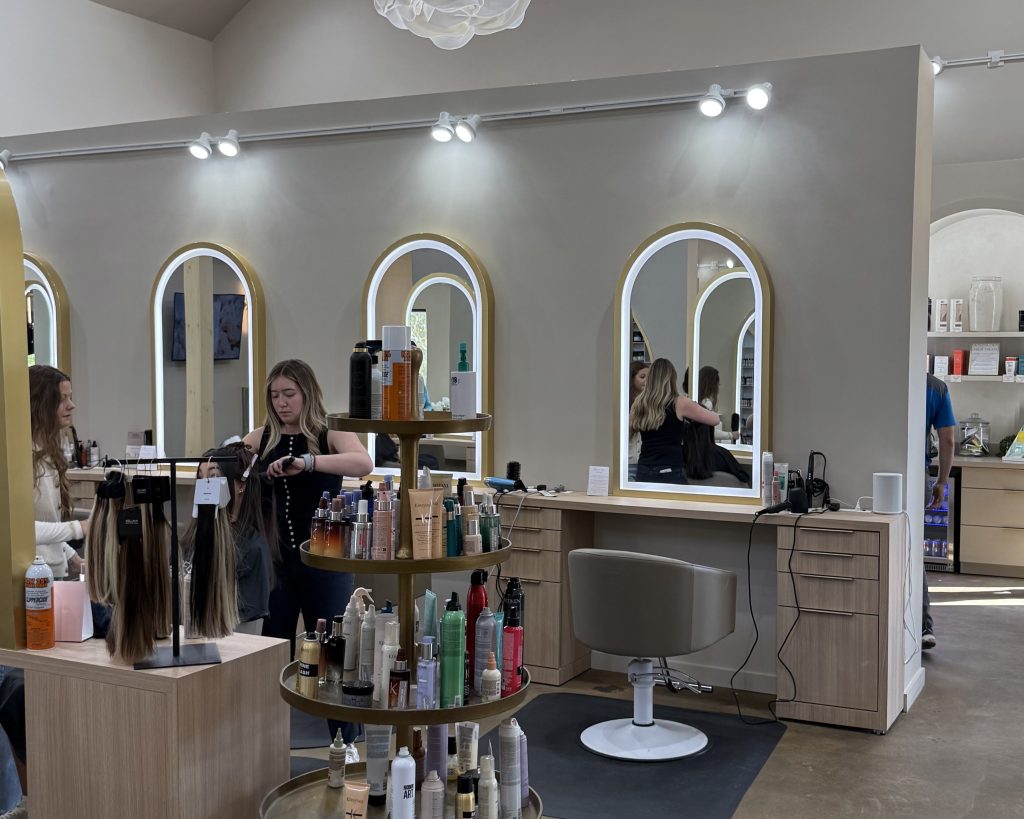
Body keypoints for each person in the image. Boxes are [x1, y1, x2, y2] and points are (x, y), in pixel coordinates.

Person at [243, 359, 373, 654]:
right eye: (274, 396)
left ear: (307, 392)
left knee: (330, 647)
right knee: (272, 648)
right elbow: (226, 463)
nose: (281, 403)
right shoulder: (261, 436)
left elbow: (363, 463)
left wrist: (308, 462)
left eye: (289, 394)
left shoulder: (330, 431)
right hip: (276, 562)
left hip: (326, 558)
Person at [187, 443, 274, 634]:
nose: (205, 485)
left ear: (241, 485)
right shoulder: (191, 539)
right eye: (201, 478)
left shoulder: (252, 548)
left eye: (213, 477)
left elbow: (249, 630)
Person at [29, 365, 88, 579]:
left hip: (54, 573)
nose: (71, 405)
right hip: (34, 580)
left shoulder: (48, 453)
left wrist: (73, 559)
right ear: (40, 404)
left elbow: (49, 524)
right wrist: (78, 528)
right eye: (62, 399)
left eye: (70, 397)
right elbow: (24, 529)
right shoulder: (22, 458)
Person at [629, 358, 720, 484]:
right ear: (672, 378)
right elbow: (715, 420)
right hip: (669, 470)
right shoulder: (679, 403)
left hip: (644, 469)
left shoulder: (638, 403)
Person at [924, 374, 956, 651]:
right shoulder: (936, 387)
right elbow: (947, 440)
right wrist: (941, 481)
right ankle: (923, 626)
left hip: (869, 469)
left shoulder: (878, 371)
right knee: (910, 551)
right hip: (913, 472)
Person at [697, 366, 738, 443]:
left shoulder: (696, 401)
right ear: (713, 385)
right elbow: (709, 431)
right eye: (718, 384)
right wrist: (731, 435)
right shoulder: (706, 403)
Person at [627, 361, 649, 480]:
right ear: (631, 378)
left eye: (650, 377)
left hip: (645, 463)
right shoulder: (623, 404)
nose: (647, 381)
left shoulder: (650, 405)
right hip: (627, 462)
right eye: (642, 377)